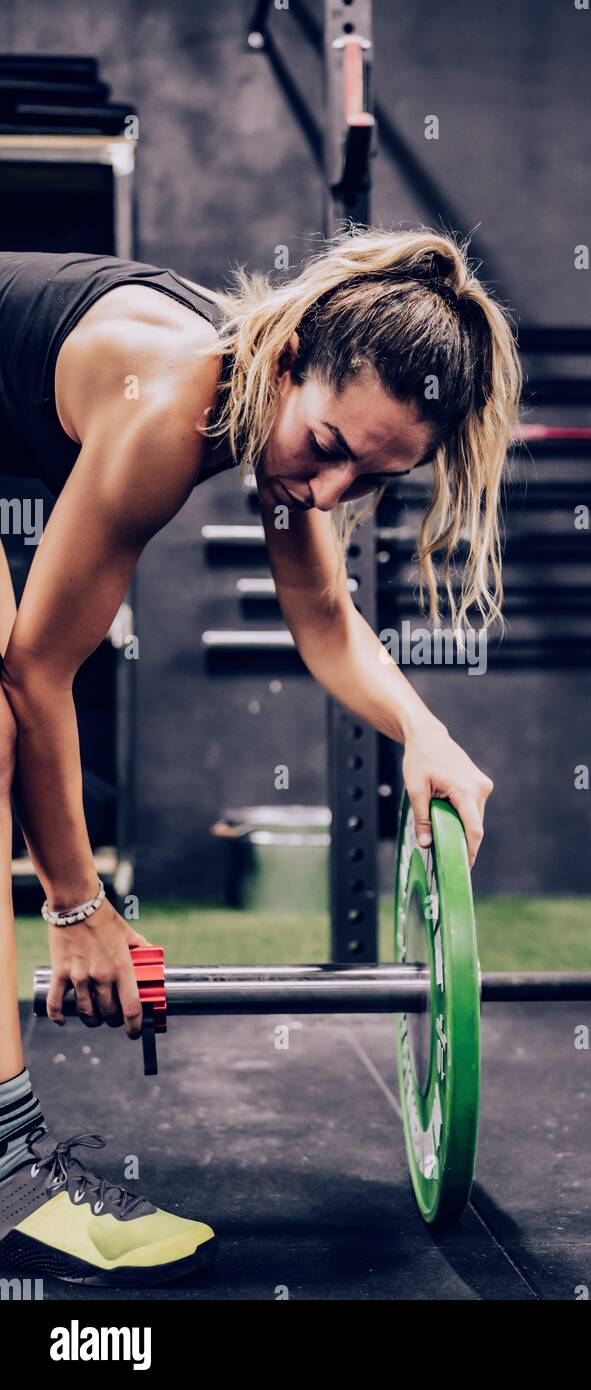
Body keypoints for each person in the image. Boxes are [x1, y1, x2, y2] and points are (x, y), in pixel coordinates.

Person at [0, 227, 522, 1283]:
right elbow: (37, 675)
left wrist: (426, 731)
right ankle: (10, 1178)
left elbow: (323, 615)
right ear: (290, 360)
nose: (326, 493)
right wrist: (76, 908)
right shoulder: (167, 408)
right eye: (327, 446)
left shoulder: (271, 393)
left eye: (370, 478)